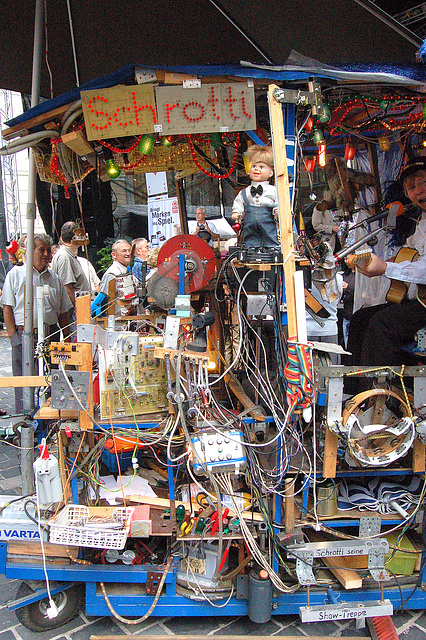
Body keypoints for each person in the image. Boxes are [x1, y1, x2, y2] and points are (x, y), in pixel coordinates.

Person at [346, 157, 426, 367]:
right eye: (411, 187)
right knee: (361, 319)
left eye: (423, 183)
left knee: (382, 324)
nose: (418, 191)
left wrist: (386, 268)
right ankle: (353, 390)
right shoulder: (422, 223)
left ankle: (379, 393)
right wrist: (367, 264)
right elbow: (409, 253)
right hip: (419, 301)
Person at [1, 234, 72, 412]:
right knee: (24, 381)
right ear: (31, 251)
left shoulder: (54, 278)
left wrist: (68, 340)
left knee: (51, 379)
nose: (47, 254)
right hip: (24, 335)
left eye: (49, 250)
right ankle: (24, 421)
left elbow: (64, 312)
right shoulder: (16, 275)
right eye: (42, 249)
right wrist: (13, 337)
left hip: (51, 334)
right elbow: (7, 307)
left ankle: (51, 419)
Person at [231, 145, 279, 248]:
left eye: (261, 167)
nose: (256, 169)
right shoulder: (245, 191)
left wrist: (277, 209)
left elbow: (278, 201)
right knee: (250, 236)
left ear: (270, 173)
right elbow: (239, 201)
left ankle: (272, 248)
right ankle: (251, 248)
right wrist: (236, 211)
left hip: (267, 219)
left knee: (269, 234)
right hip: (250, 220)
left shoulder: (273, 190)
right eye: (254, 166)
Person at [51, 221, 90, 305]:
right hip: (77, 313)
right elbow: (67, 289)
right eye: (80, 235)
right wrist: (75, 312)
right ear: (74, 238)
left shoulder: (68, 255)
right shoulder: (64, 257)